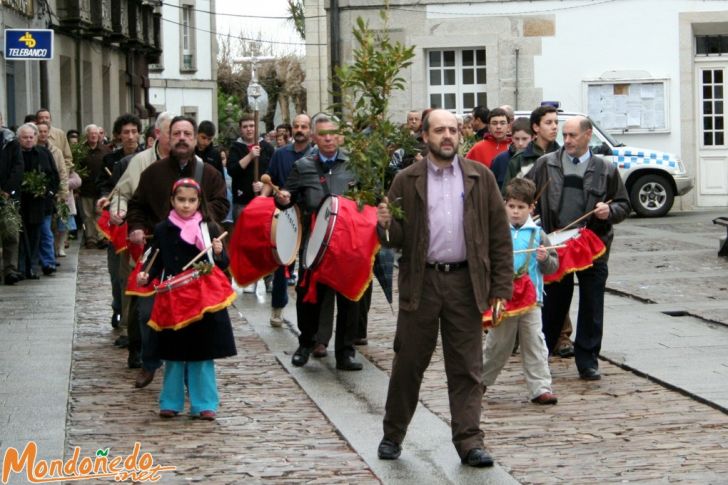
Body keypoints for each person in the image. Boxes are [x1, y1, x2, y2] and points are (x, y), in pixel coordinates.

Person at [375, 109, 513, 467]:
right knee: (409, 362)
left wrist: (501, 287)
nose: (447, 136)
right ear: (425, 136)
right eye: (439, 130)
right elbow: (395, 240)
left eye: (452, 129)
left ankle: (469, 441)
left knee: (467, 366)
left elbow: (500, 236)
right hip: (422, 282)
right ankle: (393, 435)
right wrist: (385, 225)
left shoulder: (480, 177)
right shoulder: (406, 180)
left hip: (466, 283)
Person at [526, 116, 630, 380]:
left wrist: (610, 211)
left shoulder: (605, 168)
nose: (567, 140)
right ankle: (543, 356)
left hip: (593, 246)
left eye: (573, 135)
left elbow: (623, 204)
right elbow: (524, 194)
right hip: (557, 246)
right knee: (553, 305)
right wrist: (527, 210)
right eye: (565, 135)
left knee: (592, 304)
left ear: (588, 135)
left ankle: (588, 360)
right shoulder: (546, 164)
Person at [136, 178, 236, 420]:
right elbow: (155, 260)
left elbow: (223, 265)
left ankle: (205, 404)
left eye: (191, 201)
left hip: (203, 301)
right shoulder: (162, 229)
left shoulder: (209, 228)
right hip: (174, 299)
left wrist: (220, 253)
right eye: (181, 200)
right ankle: (170, 401)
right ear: (172, 201)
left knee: (202, 353)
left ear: (199, 202)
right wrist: (145, 276)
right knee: (173, 354)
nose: (186, 205)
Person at [274, 114, 365, 371]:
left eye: (333, 133)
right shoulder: (303, 166)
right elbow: (287, 199)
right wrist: (282, 199)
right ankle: (306, 344)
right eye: (323, 134)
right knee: (309, 297)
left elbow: (368, 199)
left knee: (349, 299)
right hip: (314, 244)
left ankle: (345, 352)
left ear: (340, 136)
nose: (328, 138)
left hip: (347, 244)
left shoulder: (354, 164)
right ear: (314, 137)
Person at [482, 178, 559, 404]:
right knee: (498, 344)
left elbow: (553, 266)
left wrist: (545, 259)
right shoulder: (496, 232)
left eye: (521, 207)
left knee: (534, 342)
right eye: (511, 206)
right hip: (503, 298)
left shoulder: (538, 234)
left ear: (531, 208)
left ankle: (540, 387)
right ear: (504, 205)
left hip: (531, 299)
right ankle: (480, 382)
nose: (515, 212)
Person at [13, 123, 60, 280]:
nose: (28, 140)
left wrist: (50, 192)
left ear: (36, 137)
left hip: (39, 202)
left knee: (36, 235)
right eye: (24, 137)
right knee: (20, 236)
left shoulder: (43, 152)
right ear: (19, 139)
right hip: (19, 201)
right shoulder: (14, 154)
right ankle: (20, 267)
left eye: (31, 137)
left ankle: (31, 267)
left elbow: (54, 175)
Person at [36, 121, 69, 275]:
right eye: (40, 131)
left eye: (45, 131)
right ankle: (47, 259)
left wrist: (62, 192)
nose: (42, 134)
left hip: (52, 194)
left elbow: (62, 172)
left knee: (52, 227)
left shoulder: (55, 151)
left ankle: (50, 257)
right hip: (37, 196)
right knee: (44, 229)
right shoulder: (31, 149)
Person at [228, 114, 274, 220]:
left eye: (252, 126)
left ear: (256, 127)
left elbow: (273, 172)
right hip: (242, 201)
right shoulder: (235, 148)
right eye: (245, 127)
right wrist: (250, 156)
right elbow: (232, 170)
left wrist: (263, 185)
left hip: (264, 200)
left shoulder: (267, 148)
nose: (249, 129)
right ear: (241, 129)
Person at [76, 124, 111, 249]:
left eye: (96, 133)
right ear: (87, 135)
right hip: (86, 188)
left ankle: (101, 237)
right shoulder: (80, 150)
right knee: (87, 215)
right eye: (91, 133)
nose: (94, 136)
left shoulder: (106, 150)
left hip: (101, 188)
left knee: (100, 213)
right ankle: (91, 238)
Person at [491, 117, 532, 190]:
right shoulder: (500, 160)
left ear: (532, 138)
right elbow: (492, 188)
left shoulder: (538, 159)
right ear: (512, 138)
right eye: (516, 139)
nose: (520, 143)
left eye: (524, 139)